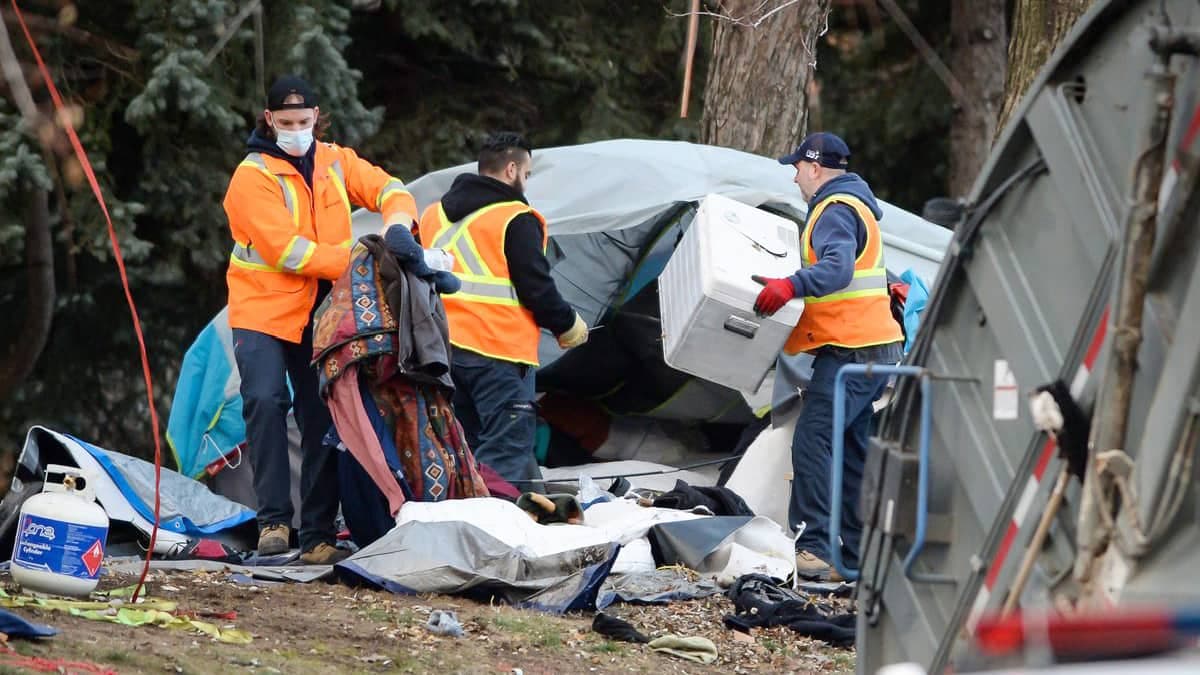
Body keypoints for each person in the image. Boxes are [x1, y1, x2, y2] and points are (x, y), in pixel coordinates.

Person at [223, 75, 419, 563]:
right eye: (286, 122)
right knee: (265, 402)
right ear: (269, 120)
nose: (295, 130)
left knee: (321, 414)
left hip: (320, 310)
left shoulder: (337, 161)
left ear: (316, 116)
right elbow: (287, 252)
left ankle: (317, 535)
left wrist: (397, 225)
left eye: (302, 121)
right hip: (262, 308)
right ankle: (273, 523)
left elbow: (390, 188)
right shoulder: (252, 176)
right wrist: (359, 260)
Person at [752, 132, 904, 581]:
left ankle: (813, 548)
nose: (794, 177)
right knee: (852, 450)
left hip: (853, 350)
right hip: (875, 349)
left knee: (813, 439)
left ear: (815, 167)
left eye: (797, 168)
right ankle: (858, 557)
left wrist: (790, 286)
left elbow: (837, 270)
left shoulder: (834, 209)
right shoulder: (856, 205)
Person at [416, 132, 588, 488]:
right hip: (497, 352)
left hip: (443, 351)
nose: (525, 181)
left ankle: (489, 510)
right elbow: (536, 286)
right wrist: (568, 325)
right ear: (512, 169)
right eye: (526, 174)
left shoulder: (433, 215)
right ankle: (492, 518)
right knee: (506, 451)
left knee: (466, 450)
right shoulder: (516, 217)